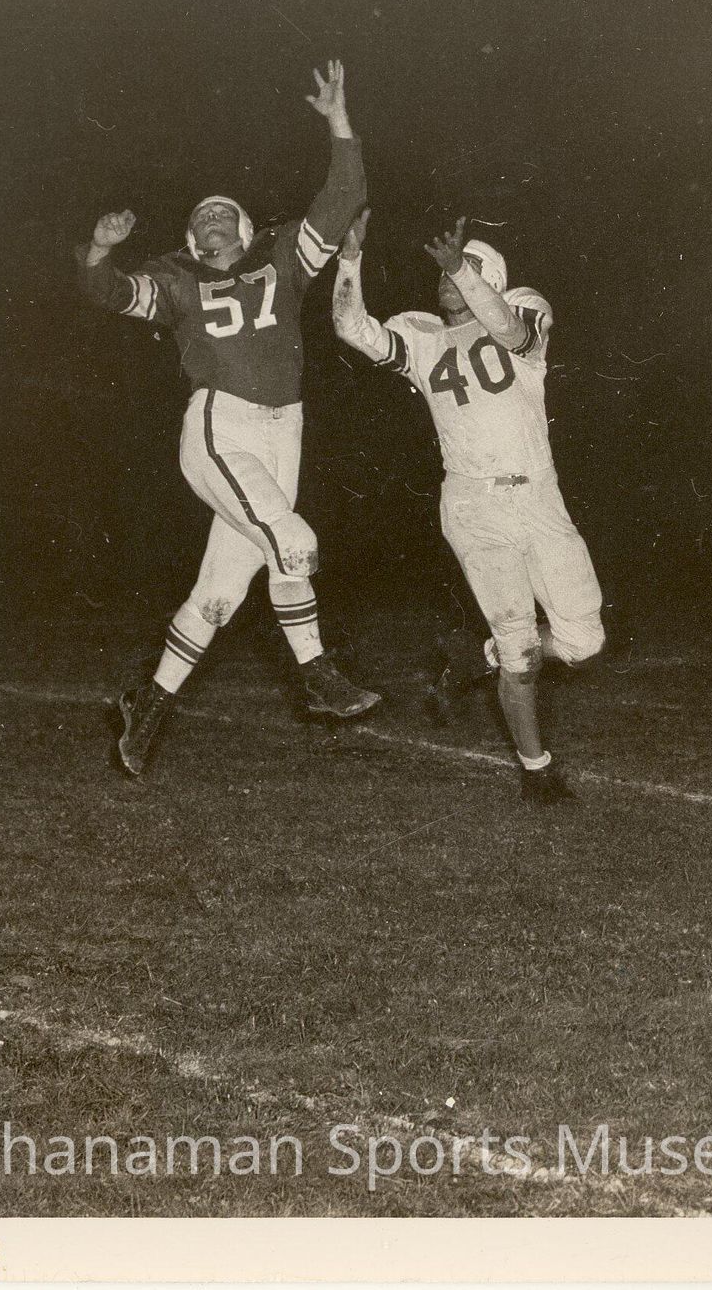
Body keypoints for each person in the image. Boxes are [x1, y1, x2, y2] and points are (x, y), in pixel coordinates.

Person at [77, 59, 380, 780]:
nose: (210, 219)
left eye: (222, 213)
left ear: (244, 226)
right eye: (199, 218)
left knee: (217, 596)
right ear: (191, 239)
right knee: (294, 542)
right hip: (222, 428)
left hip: (284, 430)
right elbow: (108, 292)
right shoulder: (179, 279)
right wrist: (100, 248)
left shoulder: (284, 255)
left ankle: (146, 705)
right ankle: (317, 675)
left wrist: (337, 119)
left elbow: (346, 194)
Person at [330, 212, 603, 803]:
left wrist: (463, 268)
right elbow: (351, 327)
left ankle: (475, 657)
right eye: (448, 268)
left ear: (494, 278)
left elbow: (509, 331)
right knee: (520, 647)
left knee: (584, 643)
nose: (450, 276)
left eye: (471, 267)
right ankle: (536, 770)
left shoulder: (524, 305)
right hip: (473, 504)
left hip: (538, 493)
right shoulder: (420, 332)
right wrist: (349, 258)